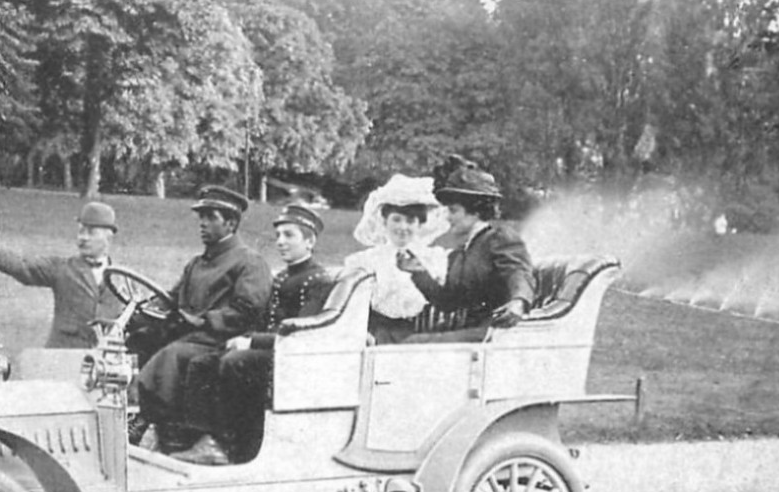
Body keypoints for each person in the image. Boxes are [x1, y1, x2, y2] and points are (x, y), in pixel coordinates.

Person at [174, 202, 337, 465]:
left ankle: (229, 444)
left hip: (294, 359)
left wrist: (251, 341)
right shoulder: (282, 277)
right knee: (202, 362)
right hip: (274, 350)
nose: (281, 242)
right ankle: (199, 438)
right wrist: (244, 337)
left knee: (235, 363)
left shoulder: (317, 280)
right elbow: (265, 320)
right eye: (278, 236)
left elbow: (300, 335)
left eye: (289, 235)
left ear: (310, 241)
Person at [132, 186, 272, 452]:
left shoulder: (250, 262)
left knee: (172, 355)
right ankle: (154, 423)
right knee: (140, 338)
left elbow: (247, 311)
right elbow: (170, 298)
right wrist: (143, 311)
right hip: (192, 336)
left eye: (210, 217)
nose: (202, 224)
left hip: (221, 340)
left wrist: (204, 321)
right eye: (201, 217)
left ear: (230, 223)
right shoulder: (196, 263)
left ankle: (154, 425)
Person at [0, 201, 126, 349]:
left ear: (108, 238)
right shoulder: (61, 269)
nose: (82, 238)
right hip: (60, 361)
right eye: (81, 231)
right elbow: (22, 266)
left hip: (106, 368)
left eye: (91, 232)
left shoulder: (123, 280)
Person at [398, 155, 535, 331]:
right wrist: (419, 273)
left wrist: (519, 302)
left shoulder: (499, 238)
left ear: (475, 210)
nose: (448, 217)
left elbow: (518, 271)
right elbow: (449, 303)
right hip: (467, 333)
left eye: (454, 211)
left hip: (494, 332)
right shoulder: (459, 254)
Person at [344, 174, 449, 343]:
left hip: (422, 336)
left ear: (420, 225)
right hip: (377, 334)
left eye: (410, 221)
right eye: (396, 220)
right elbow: (354, 306)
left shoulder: (434, 259)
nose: (402, 227)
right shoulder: (367, 260)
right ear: (384, 221)